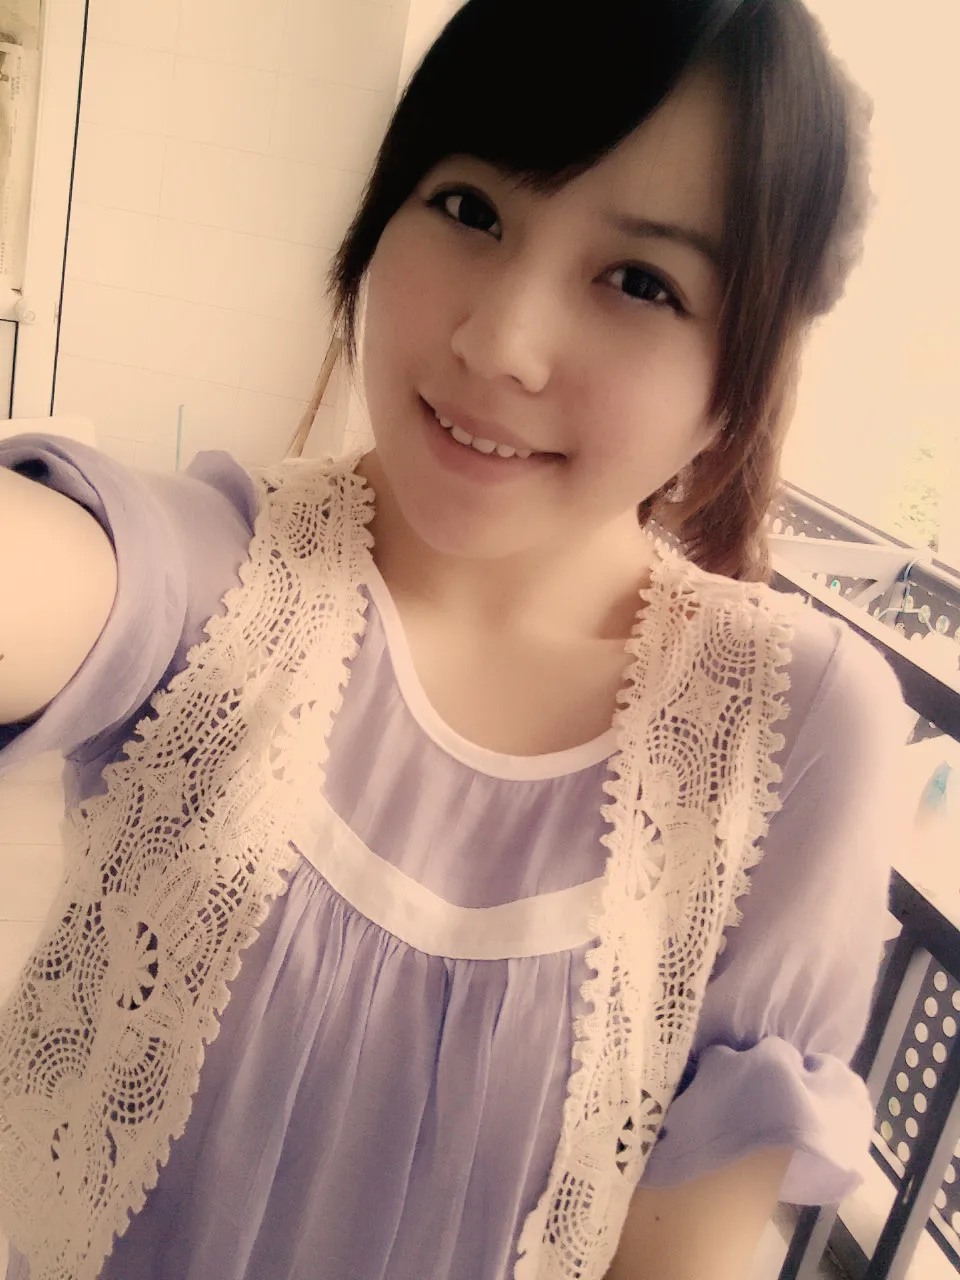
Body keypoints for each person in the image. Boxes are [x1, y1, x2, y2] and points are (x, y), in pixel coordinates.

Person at [0, 2, 911, 1278]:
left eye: (641, 281)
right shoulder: (229, 576)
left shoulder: (795, 730)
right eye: (472, 207)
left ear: (736, 388)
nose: (500, 343)